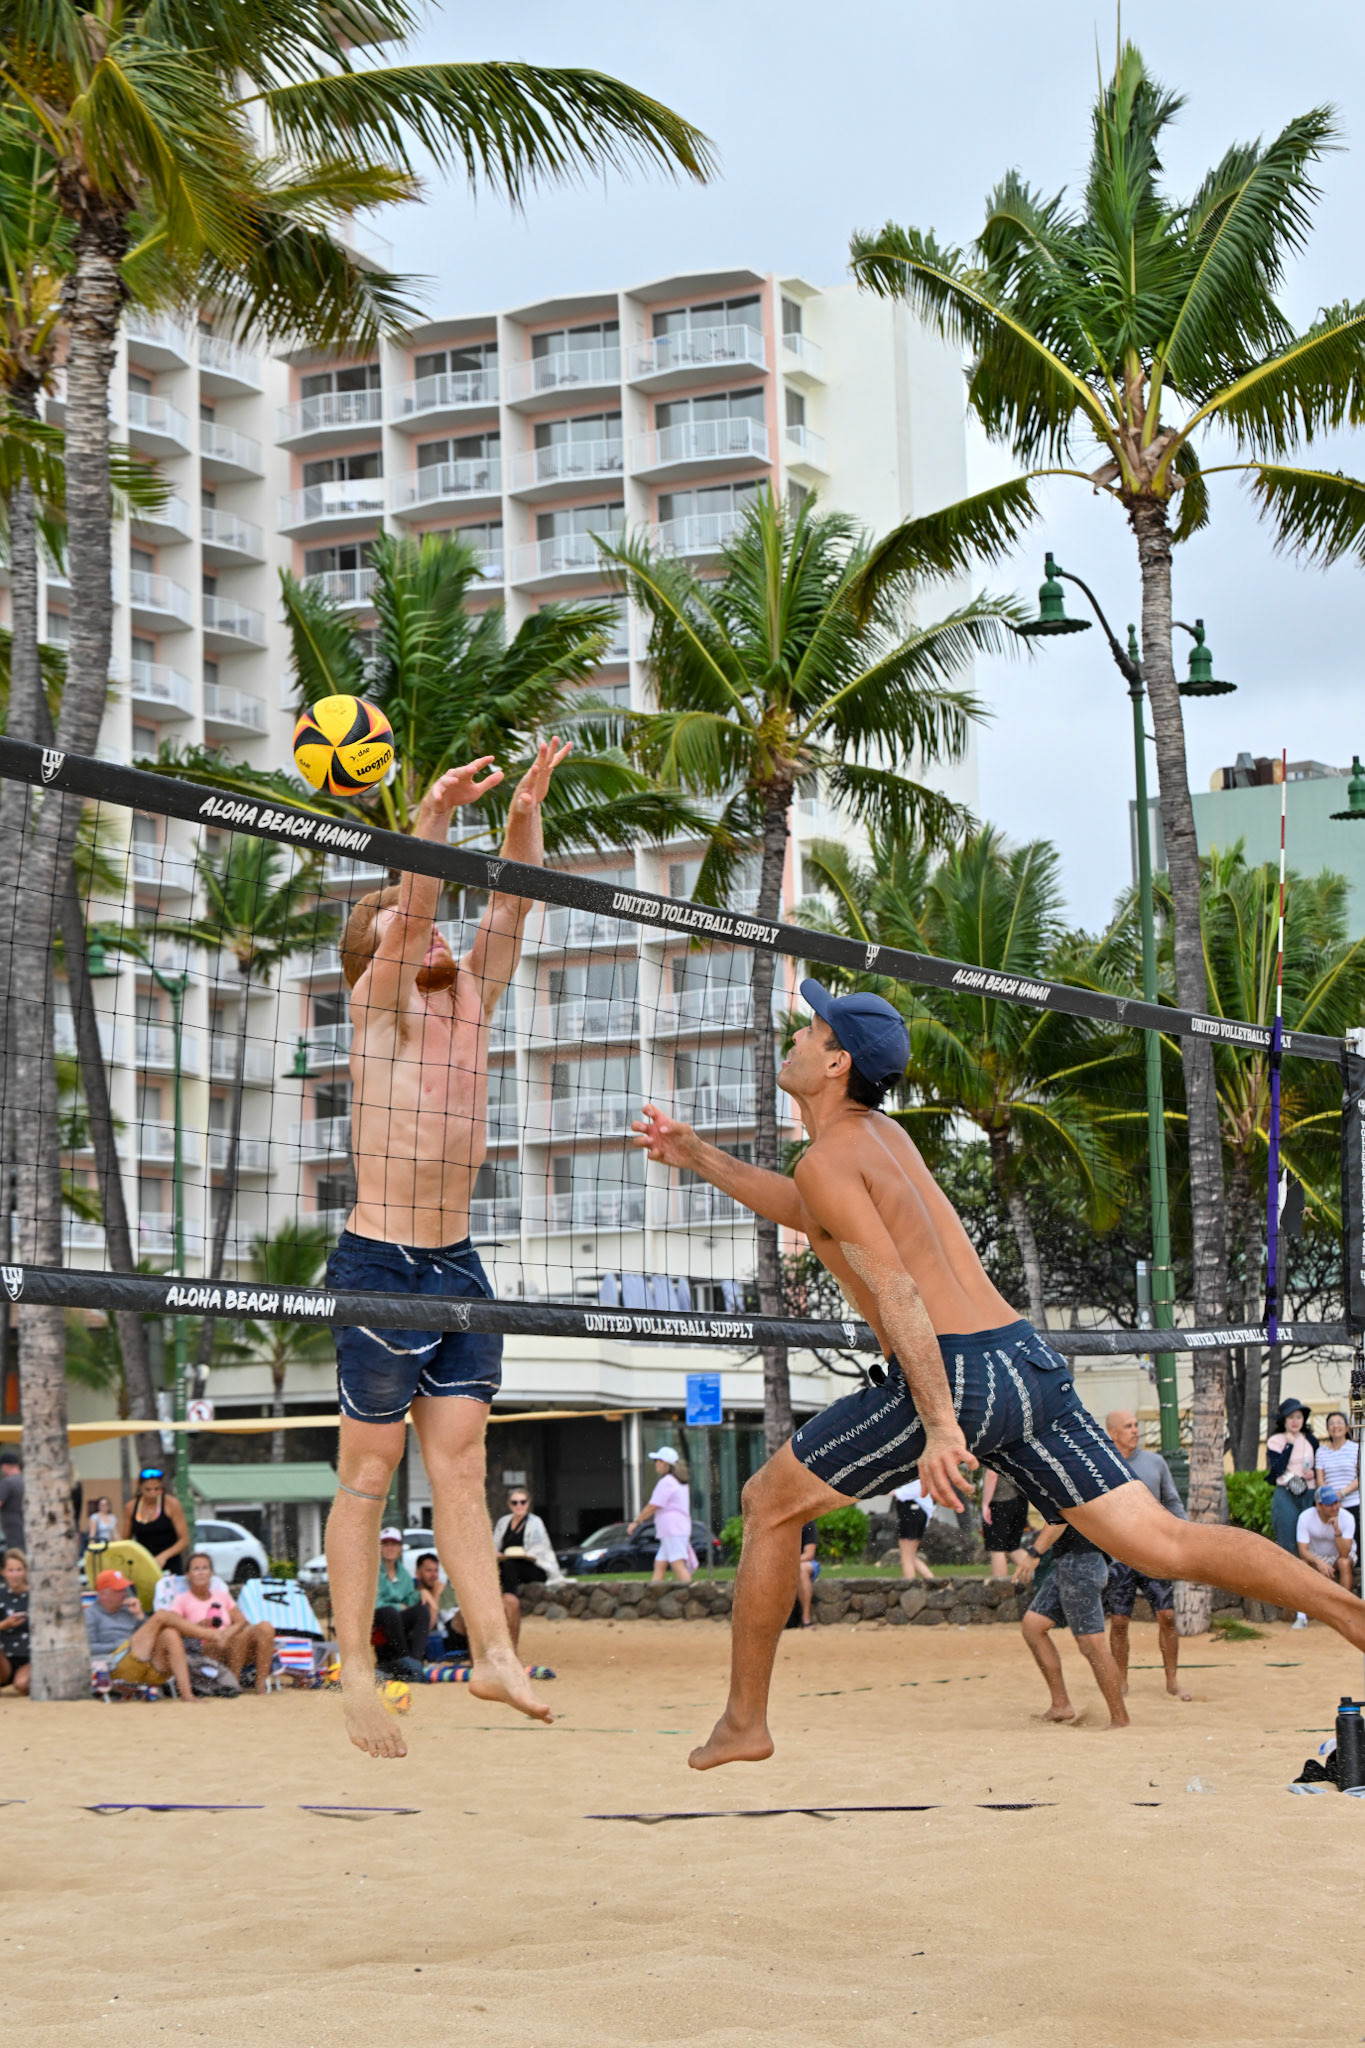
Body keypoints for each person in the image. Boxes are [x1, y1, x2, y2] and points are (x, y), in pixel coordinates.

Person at [633, 982, 1365, 1772]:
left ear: (837, 1060)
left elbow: (899, 1293)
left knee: (766, 1505)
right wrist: (698, 1154)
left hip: (954, 1372)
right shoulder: (879, 1138)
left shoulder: (831, 1157)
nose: (798, 1037)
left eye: (811, 1030)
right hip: (1024, 1358)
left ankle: (746, 1720)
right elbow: (814, 1211)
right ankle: (1352, 1616)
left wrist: (942, 1422)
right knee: (1163, 1542)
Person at [322, 744, 569, 1757]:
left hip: (457, 1263)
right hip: (379, 1262)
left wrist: (520, 813)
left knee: (461, 1466)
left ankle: (496, 1656)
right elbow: (419, 906)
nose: (416, 927)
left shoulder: (470, 996)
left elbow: (511, 905)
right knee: (369, 1473)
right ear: (372, 950)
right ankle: (361, 1669)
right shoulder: (376, 1008)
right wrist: (427, 816)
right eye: (393, 921)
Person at [1102, 1410, 1190, 1702]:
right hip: (1119, 1557)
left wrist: (1185, 1536)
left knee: (1166, 1617)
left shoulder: (1155, 1463)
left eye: (1136, 1425)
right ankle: (1122, 1680)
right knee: (1119, 1621)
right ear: (1113, 1433)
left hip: (1154, 1554)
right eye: (1128, 1426)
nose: (1135, 1430)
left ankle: (1172, 1679)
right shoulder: (1104, 1465)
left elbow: (1173, 1502)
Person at [1015, 1522, 1128, 1729]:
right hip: (1067, 1561)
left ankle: (1120, 1719)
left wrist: (1034, 1552)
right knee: (1033, 1625)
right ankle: (1061, 1705)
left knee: (1091, 1644)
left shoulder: (1065, 1488)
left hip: (1082, 1562)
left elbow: (1060, 1518)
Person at [83, 1568, 201, 1703]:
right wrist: (123, 1644)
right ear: (103, 1593)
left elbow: (146, 1637)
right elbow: (87, 1648)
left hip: (144, 1664)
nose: (124, 1594)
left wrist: (139, 1616)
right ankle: (210, 1634)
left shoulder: (128, 1610)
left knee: (170, 1634)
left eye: (124, 1589)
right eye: (118, 1590)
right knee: (161, 1615)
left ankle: (187, 1694)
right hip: (118, 1666)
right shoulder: (90, 1615)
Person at [170, 1552, 276, 1694]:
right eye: (196, 1569)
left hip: (234, 1643)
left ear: (211, 1573)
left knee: (265, 1627)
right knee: (240, 1636)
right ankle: (233, 1682)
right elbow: (175, 1628)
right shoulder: (181, 1599)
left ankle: (261, 1683)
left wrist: (227, 1633)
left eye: (205, 1568)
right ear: (188, 1575)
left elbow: (241, 1620)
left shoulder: (221, 1596)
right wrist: (198, 1627)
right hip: (204, 1646)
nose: (201, 1572)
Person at [1267, 1397, 1318, 1628]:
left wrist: (1311, 1474)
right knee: (1289, 1548)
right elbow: (1275, 1470)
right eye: (1291, 1417)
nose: (1296, 1421)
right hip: (1286, 1495)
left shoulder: (1312, 1440)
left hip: (1309, 1495)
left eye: (1299, 1417)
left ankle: (1314, 1606)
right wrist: (1288, 1445)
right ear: (1284, 1421)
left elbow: (1319, 1467)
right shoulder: (1275, 1440)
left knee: (1310, 1548)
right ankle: (1299, 1611)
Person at [491, 1488, 560, 1651]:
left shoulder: (535, 1522)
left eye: (522, 1502)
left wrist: (524, 1554)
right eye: (515, 1502)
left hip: (534, 1566)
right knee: (503, 1567)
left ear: (528, 1503)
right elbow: (494, 1546)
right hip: (509, 1565)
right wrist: (498, 1554)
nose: (519, 1506)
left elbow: (540, 1549)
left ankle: (510, 1598)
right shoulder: (503, 1522)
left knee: (509, 1567)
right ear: (509, 1504)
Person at [628, 1447, 694, 1585]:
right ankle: (654, 1595)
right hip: (674, 1530)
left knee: (677, 1564)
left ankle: (692, 1596)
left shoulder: (667, 1482)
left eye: (658, 1460)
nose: (656, 1464)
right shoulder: (678, 1481)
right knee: (660, 1564)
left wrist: (636, 1522)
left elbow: (652, 1506)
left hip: (672, 1530)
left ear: (665, 1463)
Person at [372, 1529, 427, 1678]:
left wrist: (420, 1594)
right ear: (379, 1548)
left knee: (422, 1611)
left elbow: (408, 1599)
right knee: (390, 1611)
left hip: (395, 1618)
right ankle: (405, 1660)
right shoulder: (372, 1571)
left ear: (400, 1548)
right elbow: (374, 1603)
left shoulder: (403, 1573)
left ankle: (416, 1662)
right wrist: (398, 1607)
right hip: (377, 1616)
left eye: (394, 1544)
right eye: (386, 1544)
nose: (390, 1548)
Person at [119, 1465, 190, 1574]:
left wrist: (164, 1556)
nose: (153, 1494)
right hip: (143, 1564)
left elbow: (184, 1539)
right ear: (139, 1487)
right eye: (148, 1489)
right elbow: (125, 1540)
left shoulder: (171, 1504)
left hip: (170, 1564)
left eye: (157, 1489)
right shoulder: (131, 1507)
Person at [1297, 1488, 1356, 1591]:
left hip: (1339, 1556)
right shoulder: (1305, 1517)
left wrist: (1337, 1530)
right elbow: (1303, 1550)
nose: (1335, 1508)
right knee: (1303, 1563)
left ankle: (1345, 1603)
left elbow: (1345, 1553)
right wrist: (1319, 1562)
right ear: (1319, 1506)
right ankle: (1304, 1603)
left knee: (1344, 1562)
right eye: (1330, 1504)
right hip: (1317, 1555)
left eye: (1336, 1502)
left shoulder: (1347, 1517)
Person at [981, 1467, 1030, 1579]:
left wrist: (985, 1504)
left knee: (996, 1549)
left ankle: (1000, 1590)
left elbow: (992, 1474)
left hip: (1001, 1501)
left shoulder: (991, 1449)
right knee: (1012, 1548)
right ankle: (1041, 1574)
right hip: (1021, 1499)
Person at [890, 1476, 936, 1582]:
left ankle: (910, 1588)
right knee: (910, 1555)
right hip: (921, 1513)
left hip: (911, 1511)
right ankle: (933, 1582)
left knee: (906, 1555)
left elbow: (914, 1490)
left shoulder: (917, 1470)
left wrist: (894, 1492)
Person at [1316, 1413, 1360, 1515]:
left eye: (1339, 1422)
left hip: (1355, 1502)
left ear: (1346, 1427)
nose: (1335, 1426)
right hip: (1332, 1506)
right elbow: (1320, 1480)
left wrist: (1342, 1493)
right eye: (1331, 1423)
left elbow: (1361, 1476)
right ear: (1327, 1429)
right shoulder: (1321, 1451)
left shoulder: (1356, 1448)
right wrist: (1333, 1498)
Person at [0, 1549, 30, 1695]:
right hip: (4, 1656)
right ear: (3, 1572)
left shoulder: (35, 1595)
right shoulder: (1, 1595)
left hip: (28, 1656)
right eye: (11, 1570)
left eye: (19, 1569)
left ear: (25, 1571)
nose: (15, 1574)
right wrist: (5, 1624)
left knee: (22, 1685)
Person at [795, 1522, 820, 1627]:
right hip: (784, 1564)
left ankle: (806, 1619)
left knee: (802, 1569)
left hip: (803, 1563)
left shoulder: (808, 1524)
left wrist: (790, 1562)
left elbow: (809, 1554)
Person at [0, 1449, 23, 1553]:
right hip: (28, 1530)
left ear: (5, 1466)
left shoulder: (7, 1483)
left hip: (13, 1532)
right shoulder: (27, 1480)